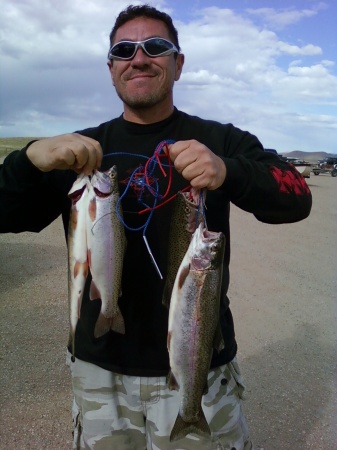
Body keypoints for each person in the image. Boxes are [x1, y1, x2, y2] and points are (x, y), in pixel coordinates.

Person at [0, 4, 312, 450]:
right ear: (111, 68)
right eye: (124, 49)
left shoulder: (222, 141)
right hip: (100, 371)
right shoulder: (80, 152)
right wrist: (28, 161)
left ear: (178, 63)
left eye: (156, 47)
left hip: (197, 366)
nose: (139, 57)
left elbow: (297, 196)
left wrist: (229, 171)